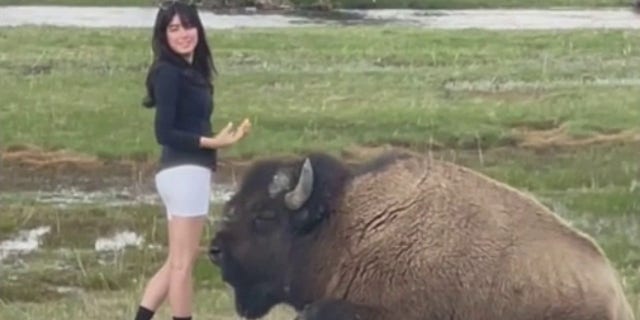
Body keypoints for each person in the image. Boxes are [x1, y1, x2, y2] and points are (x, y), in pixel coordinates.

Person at [134, 1, 251, 320]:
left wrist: (224, 140)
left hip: (183, 173)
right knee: (184, 264)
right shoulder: (169, 73)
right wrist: (212, 142)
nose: (183, 34)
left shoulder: (189, 71)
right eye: (174, 28)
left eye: (188, 26)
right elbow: (164, 132)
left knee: (176, 259)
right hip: (184, 173)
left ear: (198, 28)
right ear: (163, 35)